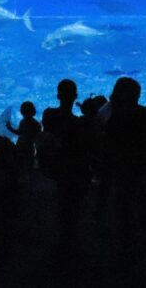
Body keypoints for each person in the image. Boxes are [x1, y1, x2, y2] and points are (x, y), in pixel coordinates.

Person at [103, 77, 146, 257]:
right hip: (142, 168)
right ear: (137, 95)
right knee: (143, 205)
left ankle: (124, 246)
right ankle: (144, 244)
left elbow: (108, 147)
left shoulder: (113, 119)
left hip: (122, 169)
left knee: (123, 207)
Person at [40, 79, 91, 251]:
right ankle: (71, 239)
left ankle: (61, 239)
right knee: (73, 205)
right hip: (74, 169)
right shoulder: (80, 123)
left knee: (62, 202)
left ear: (57, 96)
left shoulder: (48, 114)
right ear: (75, 96)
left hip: (57, 166)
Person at [6, 101, 41, 177]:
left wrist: (10, 128)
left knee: (21, 165)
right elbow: (37, 138)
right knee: (28, 166)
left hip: (21, 145)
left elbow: (19, 132)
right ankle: (30, 181)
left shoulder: (23, 122)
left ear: (22, 112)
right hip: (27, 147)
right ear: (33, 111)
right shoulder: (36, 124)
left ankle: (23, 180)